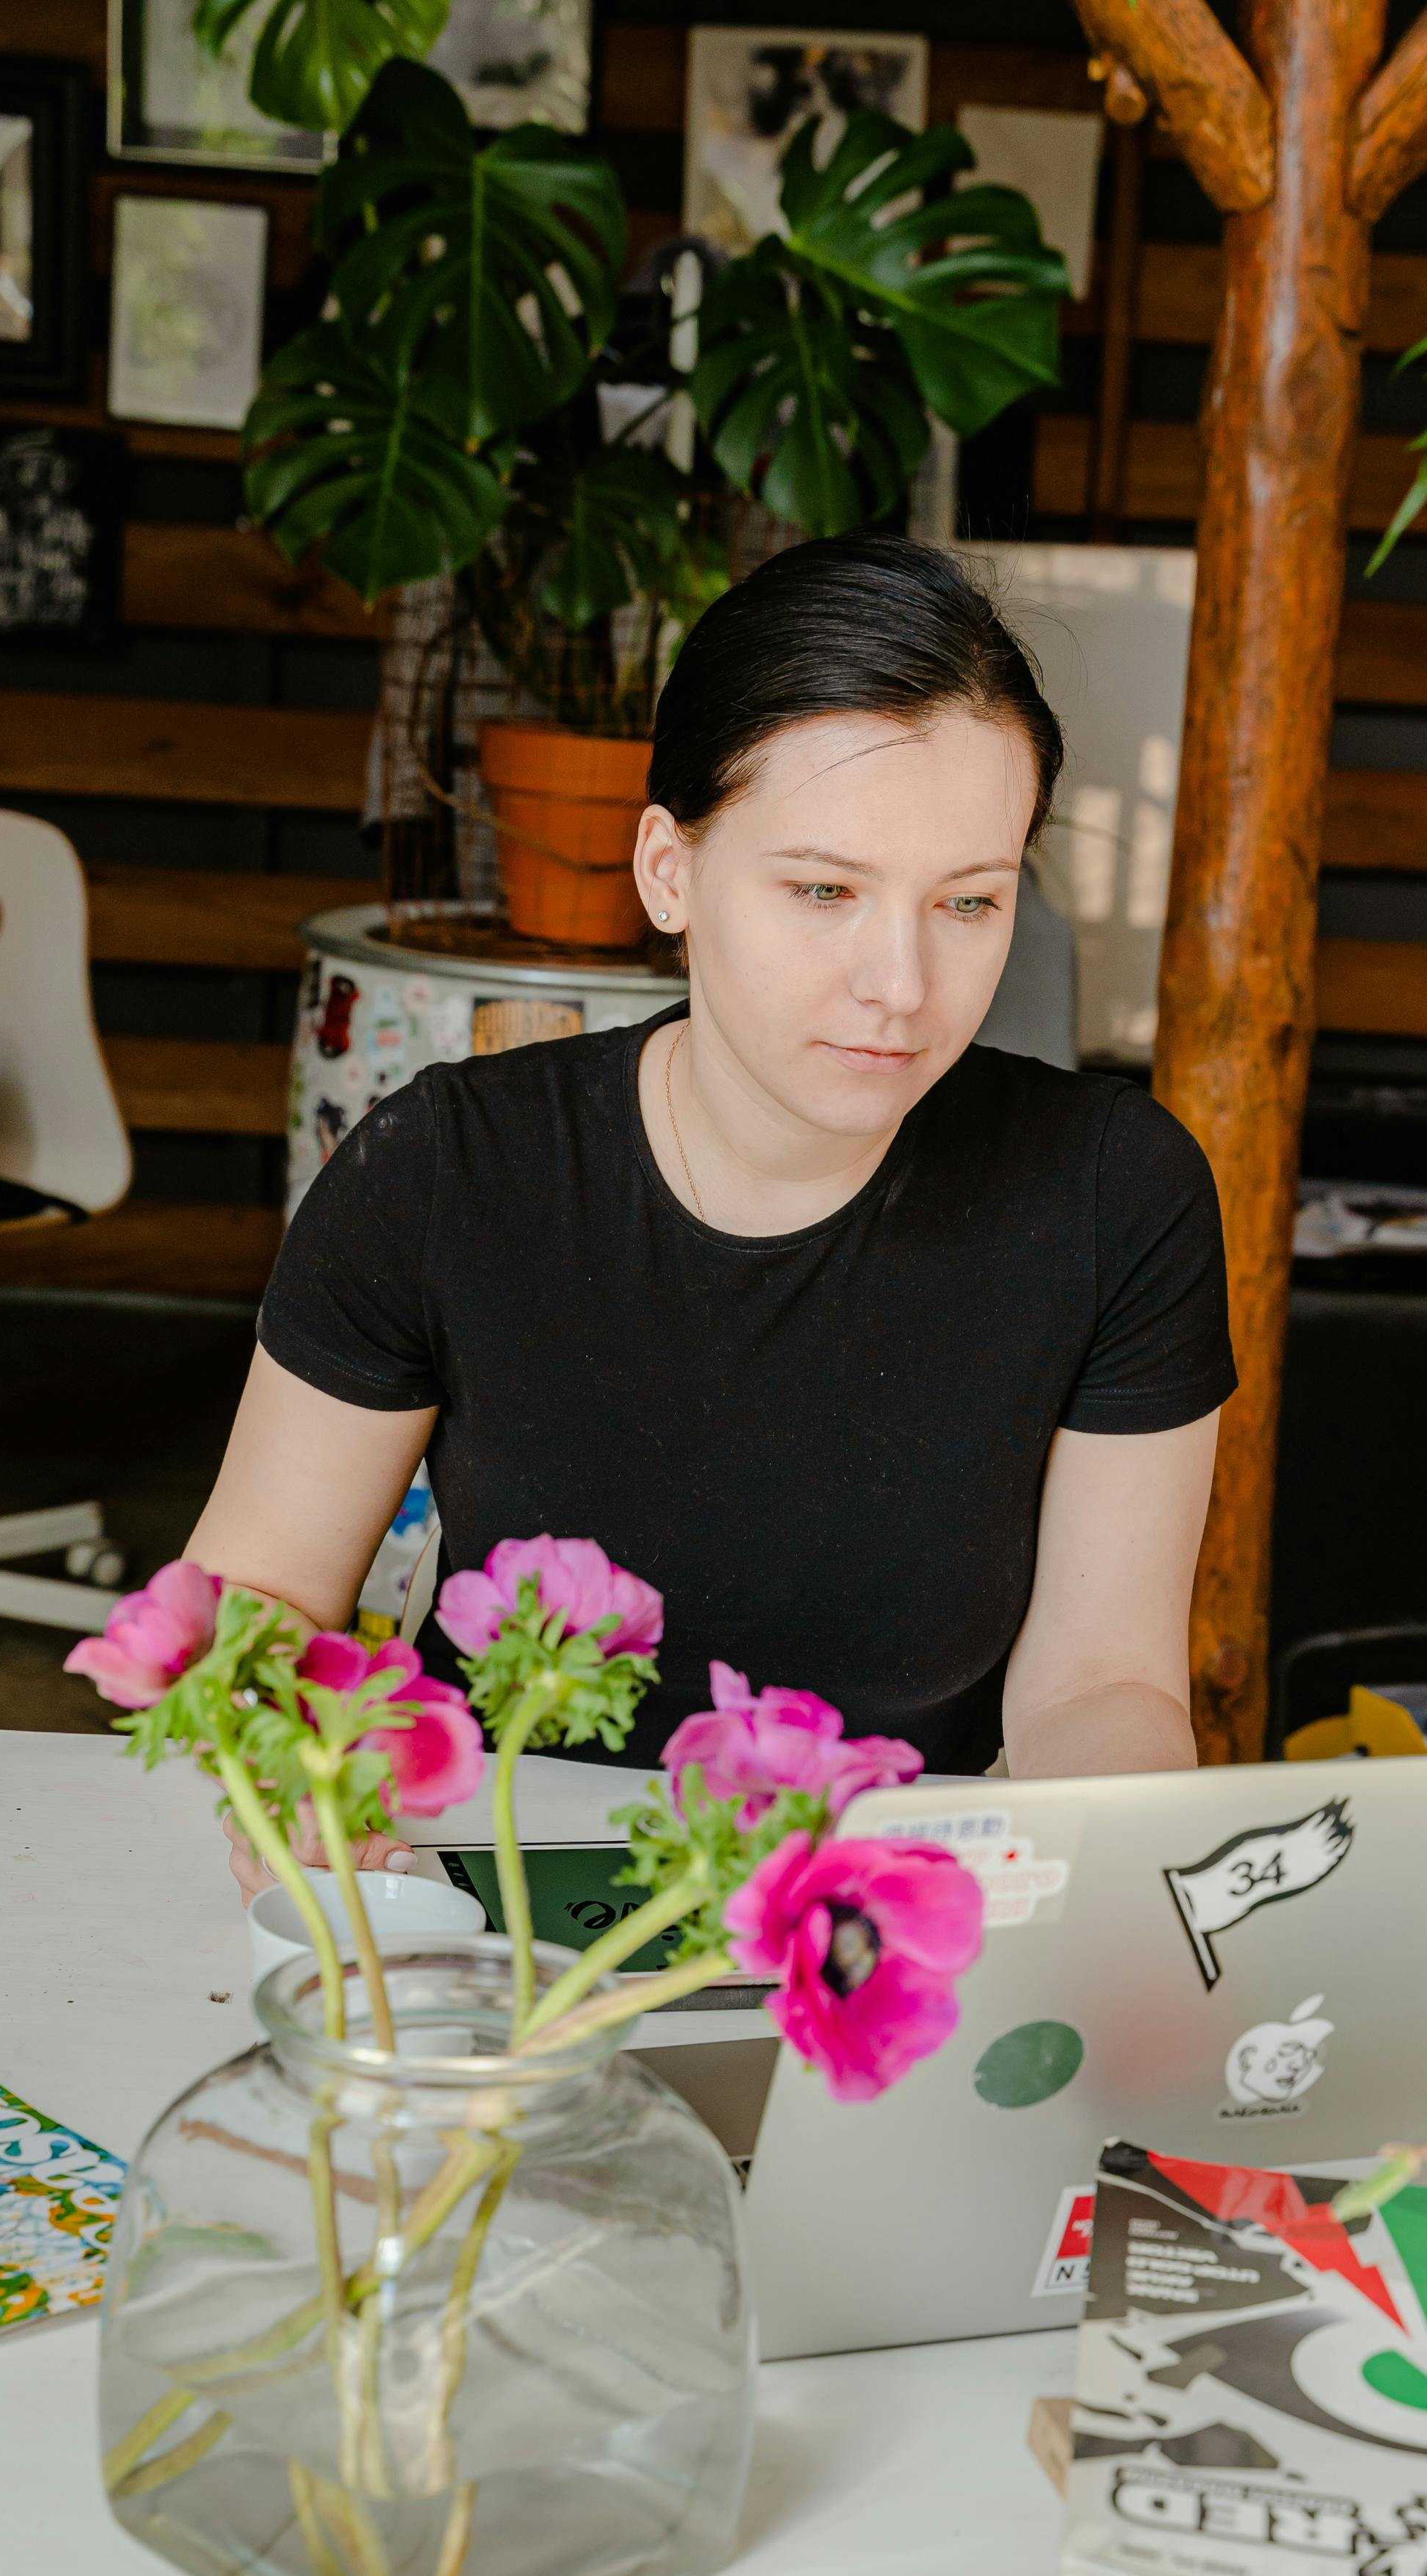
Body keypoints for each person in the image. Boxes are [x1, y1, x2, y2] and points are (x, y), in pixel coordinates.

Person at [188, 537, 1235, 1896]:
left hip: (889, 1910)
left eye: (968, 903)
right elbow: (253, 1598)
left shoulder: (1114, 1194)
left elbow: (1100, 1681)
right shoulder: (447, 1168)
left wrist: (1137, 1892)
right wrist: (294, 1789)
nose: (901, 984)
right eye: (823, 892)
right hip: (469, 1886)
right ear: (668, 873)